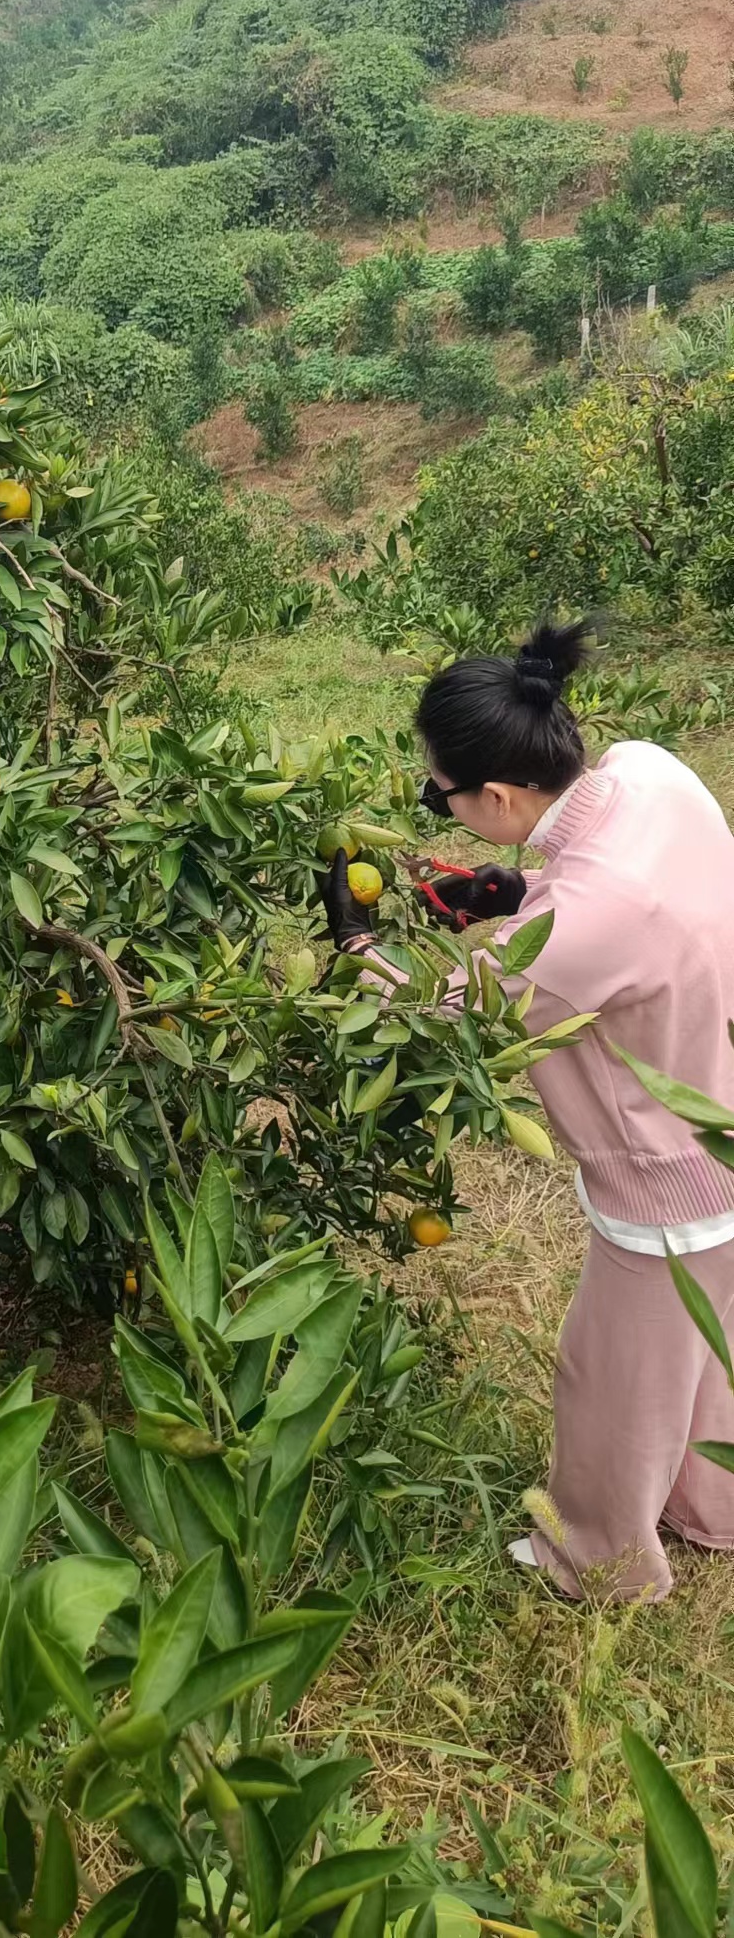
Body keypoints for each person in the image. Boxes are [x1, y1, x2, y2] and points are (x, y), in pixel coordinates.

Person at [324, 620, 734, 1601]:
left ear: (497, 796)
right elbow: (616, 887)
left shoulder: (581, 919)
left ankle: (599, 1559)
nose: (442, 807)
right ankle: (712, 1510)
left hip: (662, 1171)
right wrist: (521, 887)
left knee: (613, 1377)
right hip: (719, 1100)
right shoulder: (647, 770)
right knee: (709, 1336)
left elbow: (435, 1011)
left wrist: (352, 941)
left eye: (443, 795)